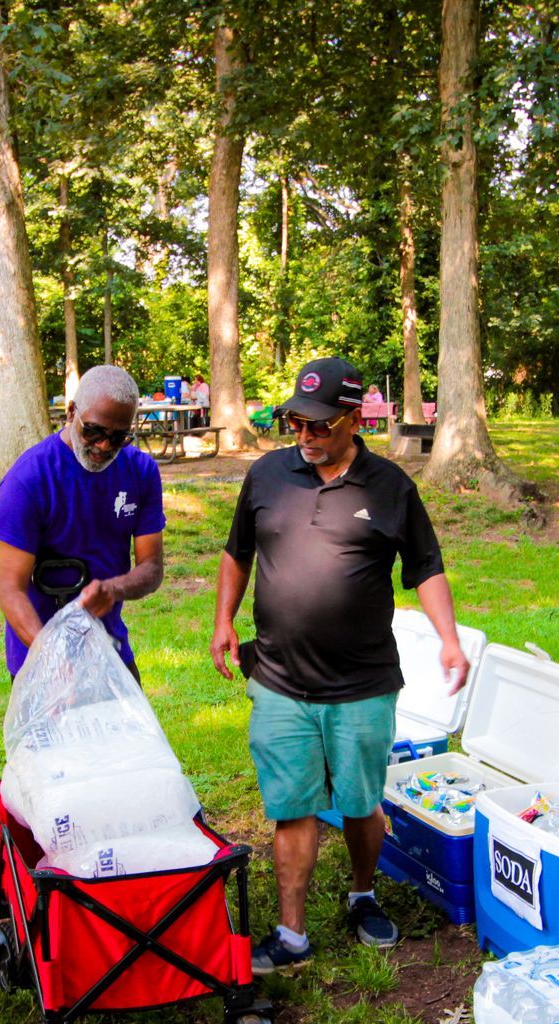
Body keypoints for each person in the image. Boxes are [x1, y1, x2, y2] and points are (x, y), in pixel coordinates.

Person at [211, 356, 470, 974]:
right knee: (291, 804)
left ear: (356, 419)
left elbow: (426, 567)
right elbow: (236, 552)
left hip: (361, 682)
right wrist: (224, 618)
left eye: (320, 425)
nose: (305, 435)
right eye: (296, 422)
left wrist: (450, 638)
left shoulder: (390, 488)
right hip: (278, 677)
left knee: (360, 803)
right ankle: (291, 933)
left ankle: (362, 894)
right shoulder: (268, 474)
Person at [0, 364, 165, 680]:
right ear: (71, 413)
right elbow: (10, 588)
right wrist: (51, 657)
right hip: (38, 653)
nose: (104, 446)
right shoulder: (30, 477)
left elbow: (152, 568)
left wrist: (114, 588)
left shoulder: (142, 472)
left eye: (119, 437)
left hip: (109, 653)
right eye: (93, 431)